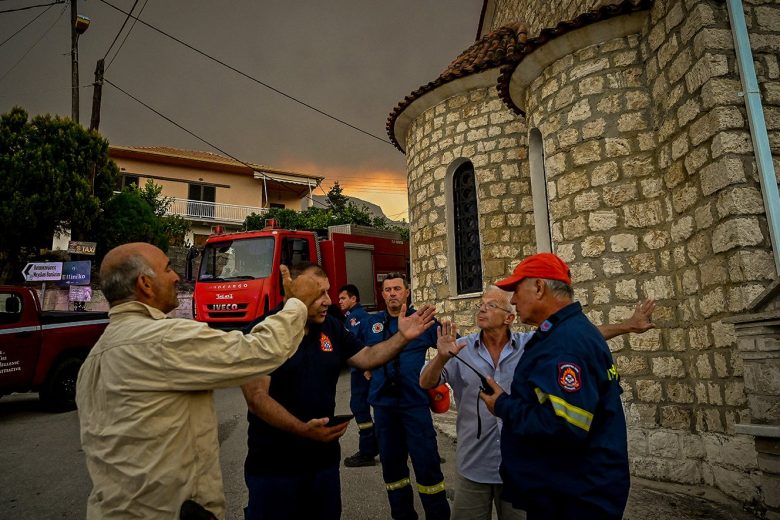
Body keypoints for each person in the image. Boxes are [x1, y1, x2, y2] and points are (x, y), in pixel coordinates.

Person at [76, 242, 321, 520]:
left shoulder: (96, 356)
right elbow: (261, 351)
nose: (177, 277)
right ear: (145, 284)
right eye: (168, 268)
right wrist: (296, 304)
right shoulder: (162, 339)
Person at [421, 285, 655, 520]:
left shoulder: (531, 345)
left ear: (509, 317)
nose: (482, 309)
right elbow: (426, 382)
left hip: (518, 470)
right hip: (473, 466)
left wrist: (628, 326)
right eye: (480, 304)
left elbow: (583, 334)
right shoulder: (460, 349)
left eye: (491, 305)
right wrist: (440, 358)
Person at [241, 262, 437, 520]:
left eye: (328, 291)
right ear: (292, 291)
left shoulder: (332, 327)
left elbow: (367, 357)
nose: (328, 300)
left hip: (323, 465)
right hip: (275, 468)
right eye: (319, 293)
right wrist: (303, 430)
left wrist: (403, 337)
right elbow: (256, 398)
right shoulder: (264, 330)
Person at [479, 253, 634, 519]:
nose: (514, 301)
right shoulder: (568, 331)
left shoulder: (565, 343)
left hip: (574, 498)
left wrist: (502, 405)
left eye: (516, 290)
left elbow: (563, 426)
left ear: (539, 287)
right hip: (569, 490)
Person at [362, 273, 450, 520]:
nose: (392, 293)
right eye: (387, 289)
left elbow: (448, 344)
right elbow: (359, 353)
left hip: (414, 405)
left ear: (407, 292)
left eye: (397, 289)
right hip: (384, 407)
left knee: (427, 466)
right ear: (382, 294)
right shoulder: (373, 324)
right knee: (392, 470)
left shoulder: (422, 321)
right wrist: (366, 367)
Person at [338, 283, 380, 467]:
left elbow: (352, 345)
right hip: (366, 369)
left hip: (361, 371)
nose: (339, 302)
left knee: (360, 407)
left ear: (353, 299)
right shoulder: (359, 316)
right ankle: (376, 445)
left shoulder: (355, 318)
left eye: (343, 298)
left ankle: (367, 451)